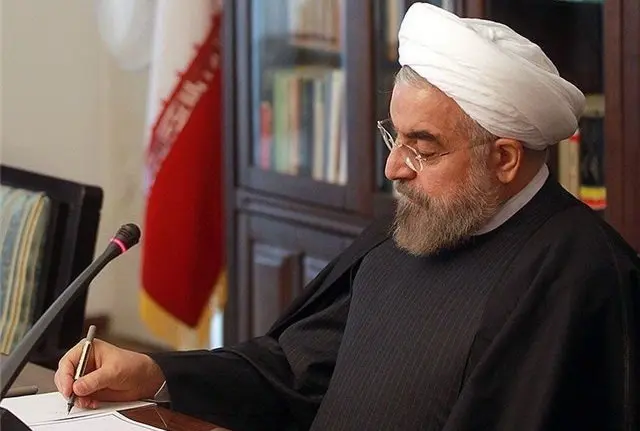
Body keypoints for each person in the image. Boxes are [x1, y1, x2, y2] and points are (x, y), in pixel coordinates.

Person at [55, 3, 639, 431]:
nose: (393, 168)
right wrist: (153, 373)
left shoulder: (583, 278)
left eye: (423, 148)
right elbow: (295, 371)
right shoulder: (414, 225)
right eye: (394, 136)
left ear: (505, 159)